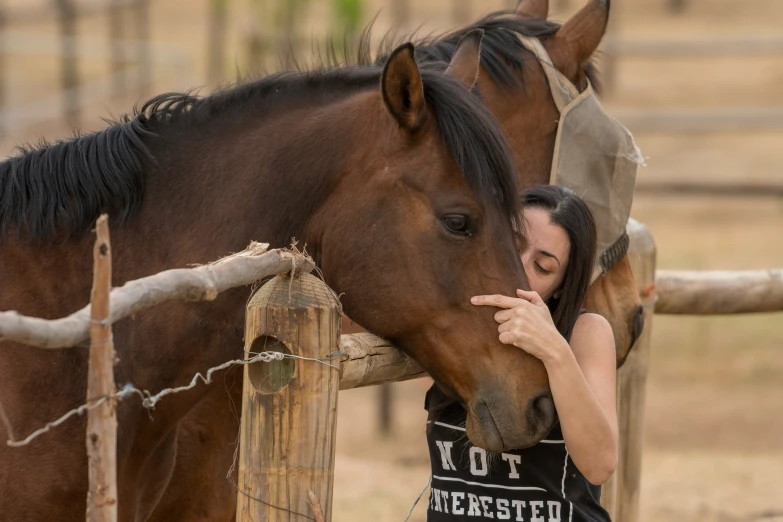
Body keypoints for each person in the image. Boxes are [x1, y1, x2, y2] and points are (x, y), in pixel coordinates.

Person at [425, 185, 617, 522]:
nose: (518, 267)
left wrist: (554, 351)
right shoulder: (451, 320)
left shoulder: (585, 333)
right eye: (512, 247)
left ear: (561, 287)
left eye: (542, 268)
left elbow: (600, 465)